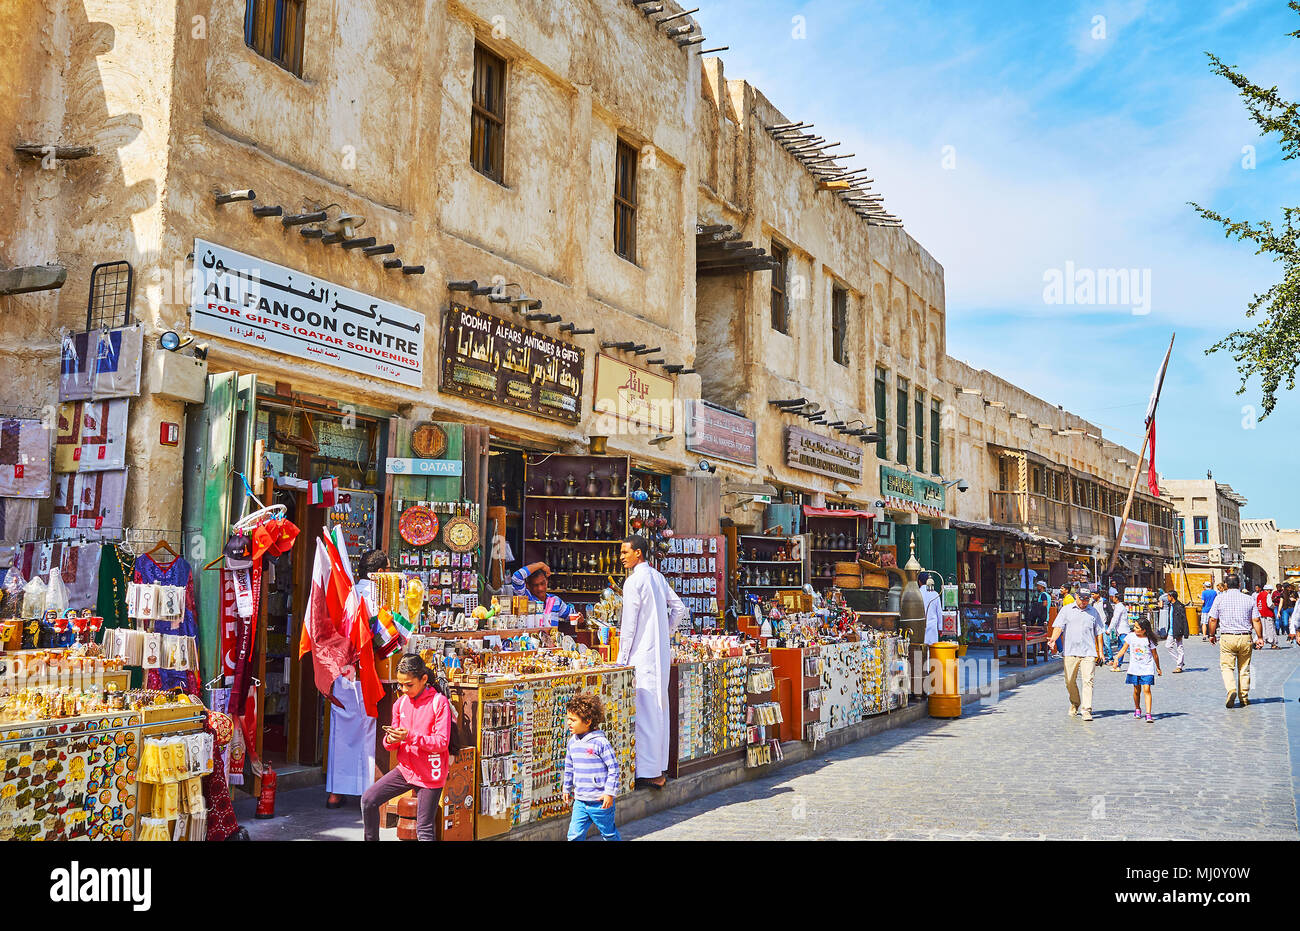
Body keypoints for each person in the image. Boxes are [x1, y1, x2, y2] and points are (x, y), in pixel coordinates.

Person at [617, 534, 687, 788]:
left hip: (641, 655)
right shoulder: (657, 577)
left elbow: (628, 626)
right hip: (659, 654)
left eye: (626, 552)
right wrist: (664, 632)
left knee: (645, 712)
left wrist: (621, 660)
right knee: (659, 709)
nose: (622, 557)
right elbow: (679, 609)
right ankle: (658, 767)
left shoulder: (634, 582)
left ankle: (648, 772)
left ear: (639, 553)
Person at [360, 654, 452, 841]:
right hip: (406, 769)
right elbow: (390, 745)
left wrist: (409, 736)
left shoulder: (439, 702)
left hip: (430, 774)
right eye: (400, 685)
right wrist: (392, 739)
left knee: (424, 828)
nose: (403, 690)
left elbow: (441, 742)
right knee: (369, 799)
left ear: (424, 679)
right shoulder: (400, 703)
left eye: (409, 685)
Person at [325, 547, 389, 810]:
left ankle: (335, 793)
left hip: (341, 670)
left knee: (340, 729)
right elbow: (386, 637)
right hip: (365, 670)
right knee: (366, 731)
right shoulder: (379, 596)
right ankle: (367, 791)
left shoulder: (347, 594)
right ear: (381, 573)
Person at [562, 692, 621, 841]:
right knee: (574, 835)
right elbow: (569, 768)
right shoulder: (572, 743)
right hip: (580, 801)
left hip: (600, 802)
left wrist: (609, 793)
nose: (569, 723)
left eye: (573, 720)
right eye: (568, 719)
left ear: (587, 721)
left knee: (609, 834)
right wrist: (566, 788)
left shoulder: (600, 743)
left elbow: (613, 768)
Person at [1047, 584, 1106, 721]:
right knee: (1069, 681)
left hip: (1089, 651)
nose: (1084, 602)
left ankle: (1086, 709)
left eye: (1087, 599)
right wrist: (1053, 640)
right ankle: (1075, 702)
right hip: (1070, 651)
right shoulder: (1066, 610)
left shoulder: (1093, 612)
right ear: (1076, 596)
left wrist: (1101, 652)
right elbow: (1058, 627)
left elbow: (1099, 633)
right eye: (1082, 599)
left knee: (1088, 681)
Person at [1206, 573, 1264, 708]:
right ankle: (1243, 697)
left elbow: (1213, 619)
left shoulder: (1219, 599)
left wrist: (1211, 634)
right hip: (1245, 637)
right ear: (1239, 585)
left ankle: (1231, 689)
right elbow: (1256, 619)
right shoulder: (1249, 599)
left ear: (1226, 585)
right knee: (1244, 668)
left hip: (1227, 637)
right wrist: (1260, 637)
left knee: (1227, 667)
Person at [1111, 615, 1162, 723]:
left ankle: (1148, 713)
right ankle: (1137, 708)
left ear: (1144, 630)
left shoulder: (1149, 640)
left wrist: (1158, 667)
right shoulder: (1131, 636)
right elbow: (1123, 649)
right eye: (1134, 627)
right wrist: (1116, 658)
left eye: (1137, 627)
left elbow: (1155, 655)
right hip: (1135, 668)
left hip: (1147, 668)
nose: (1134, 629)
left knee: (1147, 689)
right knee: (1136, 690)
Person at [510, 561, 579, 625]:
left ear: (547, 581)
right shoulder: (525, 598)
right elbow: (516, 578)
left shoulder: (555, 600)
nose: (540, 588)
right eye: (535, 585)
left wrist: (579, 619)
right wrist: (541, 565)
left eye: (542, 583)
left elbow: (572, 615)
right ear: (528, 586)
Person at [1164, 588, 1188, 673]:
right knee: (1168, 646)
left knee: (1179, 647)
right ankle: (1179, 661)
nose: (1167, 598)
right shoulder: (1170, 605)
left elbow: (1184, 619)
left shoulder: (1179, 606)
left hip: (1178, 629)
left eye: (1168, 596)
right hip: (1171, 630)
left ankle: (1179, 666)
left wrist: (1184, 632)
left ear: (1172, 596)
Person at [921, 572, 943, 645]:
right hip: (932, 625)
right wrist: (940, 628)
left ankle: (918, 657)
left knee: (918, 647)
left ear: (919, 582)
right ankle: (929, 657)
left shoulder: (917, 593)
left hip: (919, 625)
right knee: (932, 648)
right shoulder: (935, 594)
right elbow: (939, 612)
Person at [1256, 585, 1278, 650]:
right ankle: (1273, 644)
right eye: (1270, 590)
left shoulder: (1259, 595)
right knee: (1271, 629)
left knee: (1262, 630)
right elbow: (1269, 604)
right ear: (1268, 590)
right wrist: (1273, 606)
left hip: (1261, 614)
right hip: (1268, 614)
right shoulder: (1267, 595)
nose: (1271, 592)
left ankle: (1257, 643)